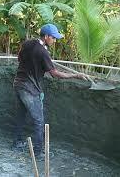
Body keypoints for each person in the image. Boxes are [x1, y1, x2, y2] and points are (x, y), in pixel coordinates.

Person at [12, 23, 87, 160]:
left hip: (18, 84)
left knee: (21, 116)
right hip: (29, 89)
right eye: (53, 37)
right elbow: (54, 73)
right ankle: (38, 153)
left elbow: (19, 58)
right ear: (46, 36)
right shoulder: (42, 52)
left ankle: (17, 143)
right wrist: (75, 75)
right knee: (39, 121)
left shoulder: (28, 43)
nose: (55, 40)